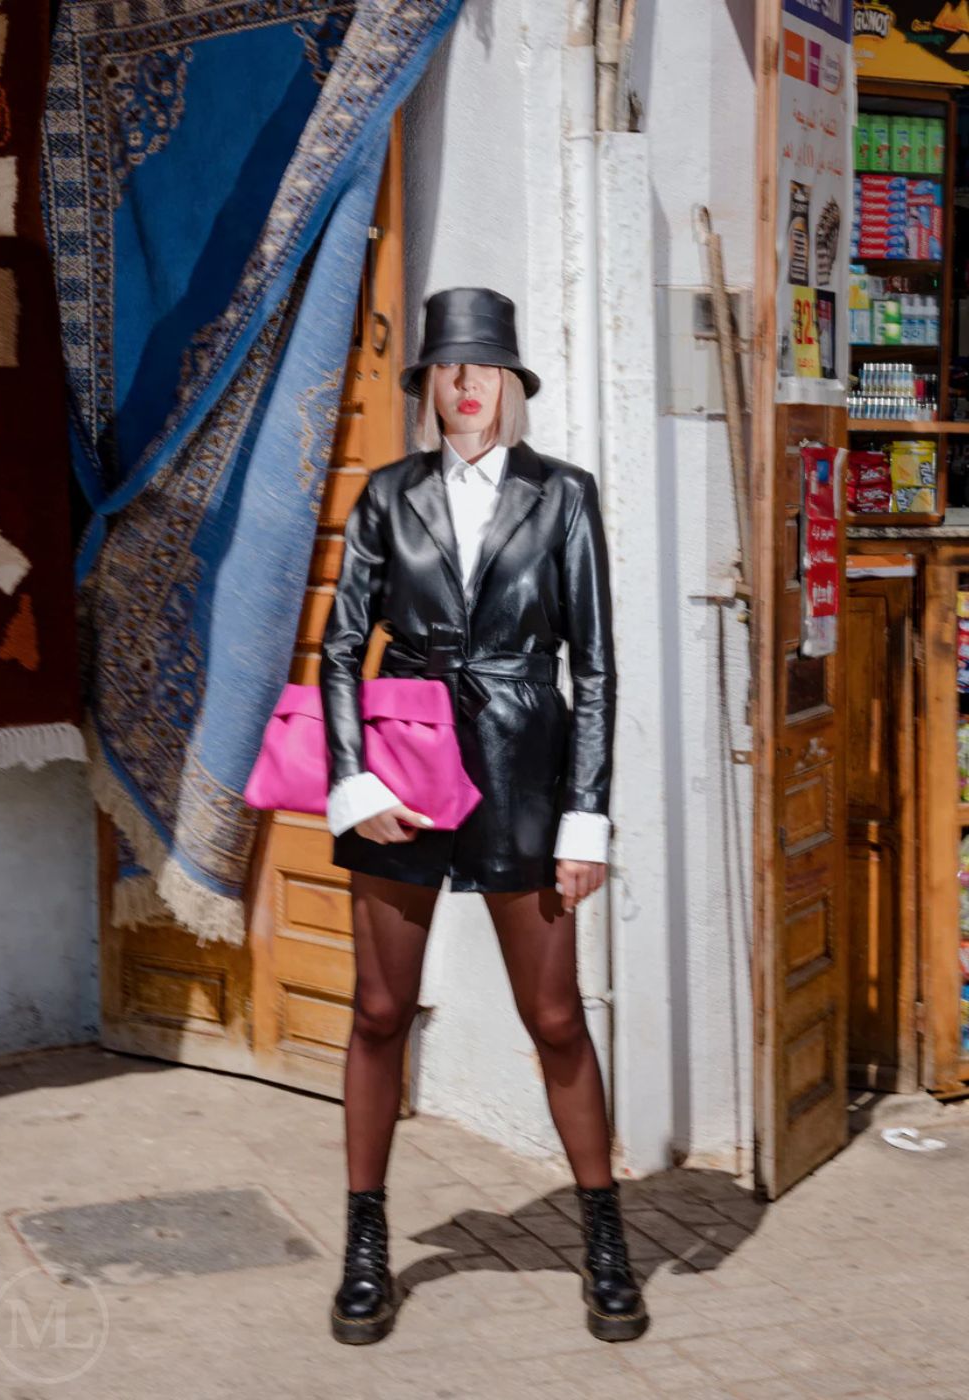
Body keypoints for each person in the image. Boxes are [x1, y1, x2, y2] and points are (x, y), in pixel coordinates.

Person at [319, 287, 643, 1345]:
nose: (465, 385)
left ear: (509, 385)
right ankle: (366, 1238)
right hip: (402, 770)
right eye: (446, 368)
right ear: (426, 387)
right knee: (377, 1010)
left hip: (522, 772)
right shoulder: (384, 495)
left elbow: (591, 664)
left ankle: (603, 1233)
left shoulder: (563, 495)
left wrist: (585, 813)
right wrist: (353, 777)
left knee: (553, 1017)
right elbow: (337, 651)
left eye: (483, 367)